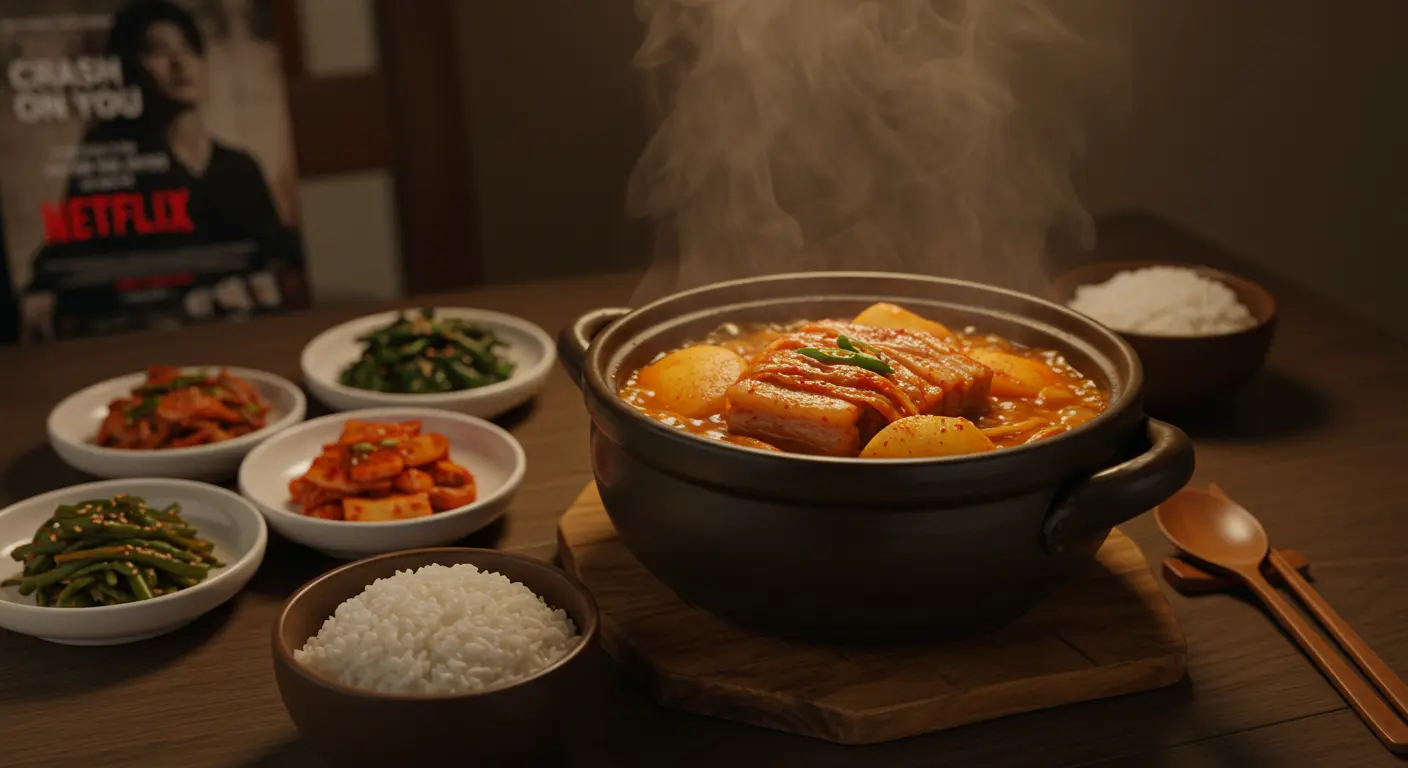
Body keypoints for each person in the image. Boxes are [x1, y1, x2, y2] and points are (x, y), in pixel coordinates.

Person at [19, 0, 304, 341]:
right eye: (158, 52)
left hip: (244, 334)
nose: (179, 62)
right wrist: (41, 292)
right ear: (129, 69)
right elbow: (70, 248)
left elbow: (276, 255)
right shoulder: (111, 157)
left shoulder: (239, 166)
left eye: (189, 49)